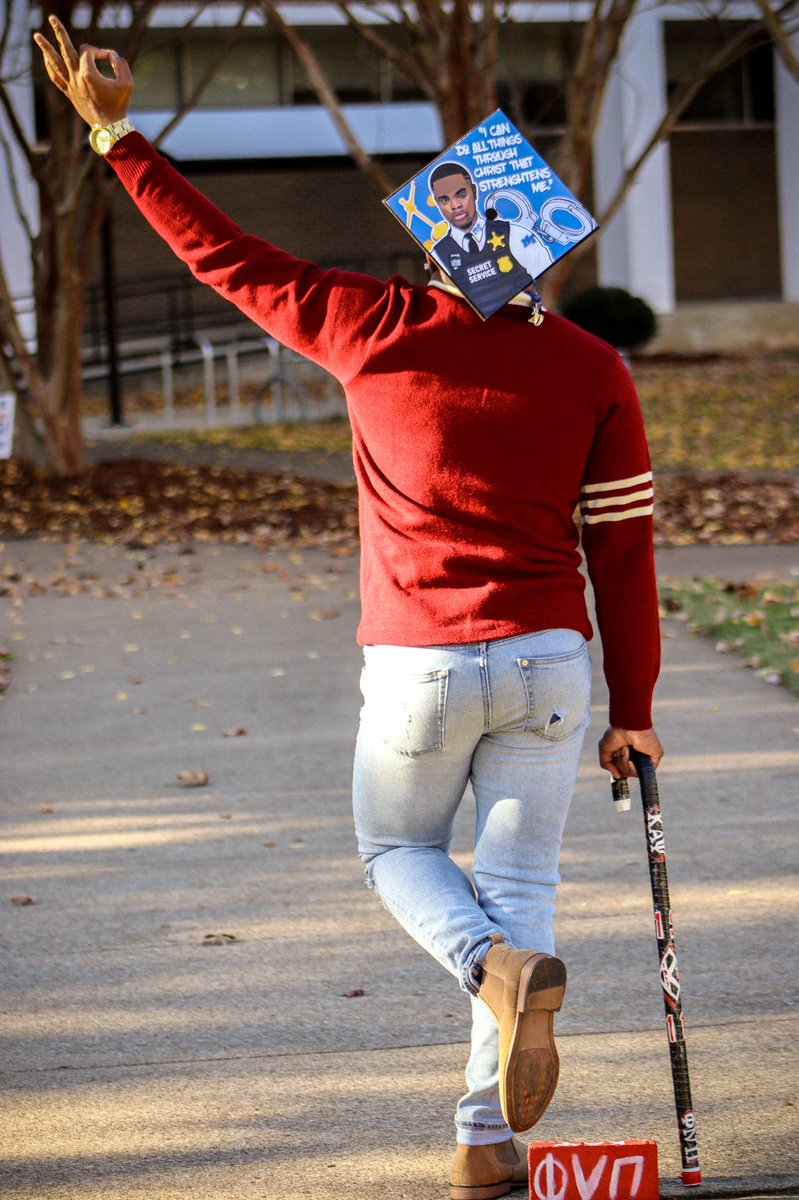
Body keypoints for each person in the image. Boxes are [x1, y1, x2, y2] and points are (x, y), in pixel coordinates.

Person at [35, 17, 664, 1200]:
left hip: (421, 665)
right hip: (549, 663)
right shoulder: (594, 367)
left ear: (437, 242)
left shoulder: (369, 325)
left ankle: (487, 970)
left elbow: (223, 256)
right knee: (521, 891)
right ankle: (484, 1139)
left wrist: (118, 138)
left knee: (395, 849)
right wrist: (633, 708)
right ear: (542, 247)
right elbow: (622, 551)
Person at [429, 162, 552, 316]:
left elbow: (545, 283)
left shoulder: (515, 234)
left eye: (462, 194)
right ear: (437, 203)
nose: (455, 205)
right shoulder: (438, 256)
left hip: (521, 323)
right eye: (444, 200)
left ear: (474, 191)